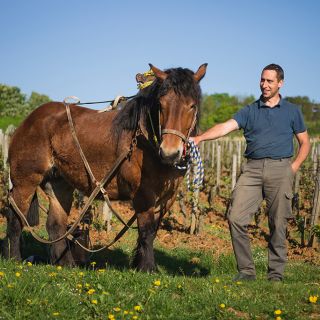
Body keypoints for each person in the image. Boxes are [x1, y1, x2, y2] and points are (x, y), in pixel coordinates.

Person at [192, 64, 310, 281]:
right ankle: (246, 271)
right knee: (235, 217)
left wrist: (292, 169)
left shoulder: (292, 111)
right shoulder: (249, 110)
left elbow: (304, 143)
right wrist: (199, 138)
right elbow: (225, 127)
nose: (264, 85)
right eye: (262, 80)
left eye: (270, 81)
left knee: (278, 223)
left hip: (280, 168)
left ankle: (275, 275)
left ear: (280, 83)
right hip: (252, 170)